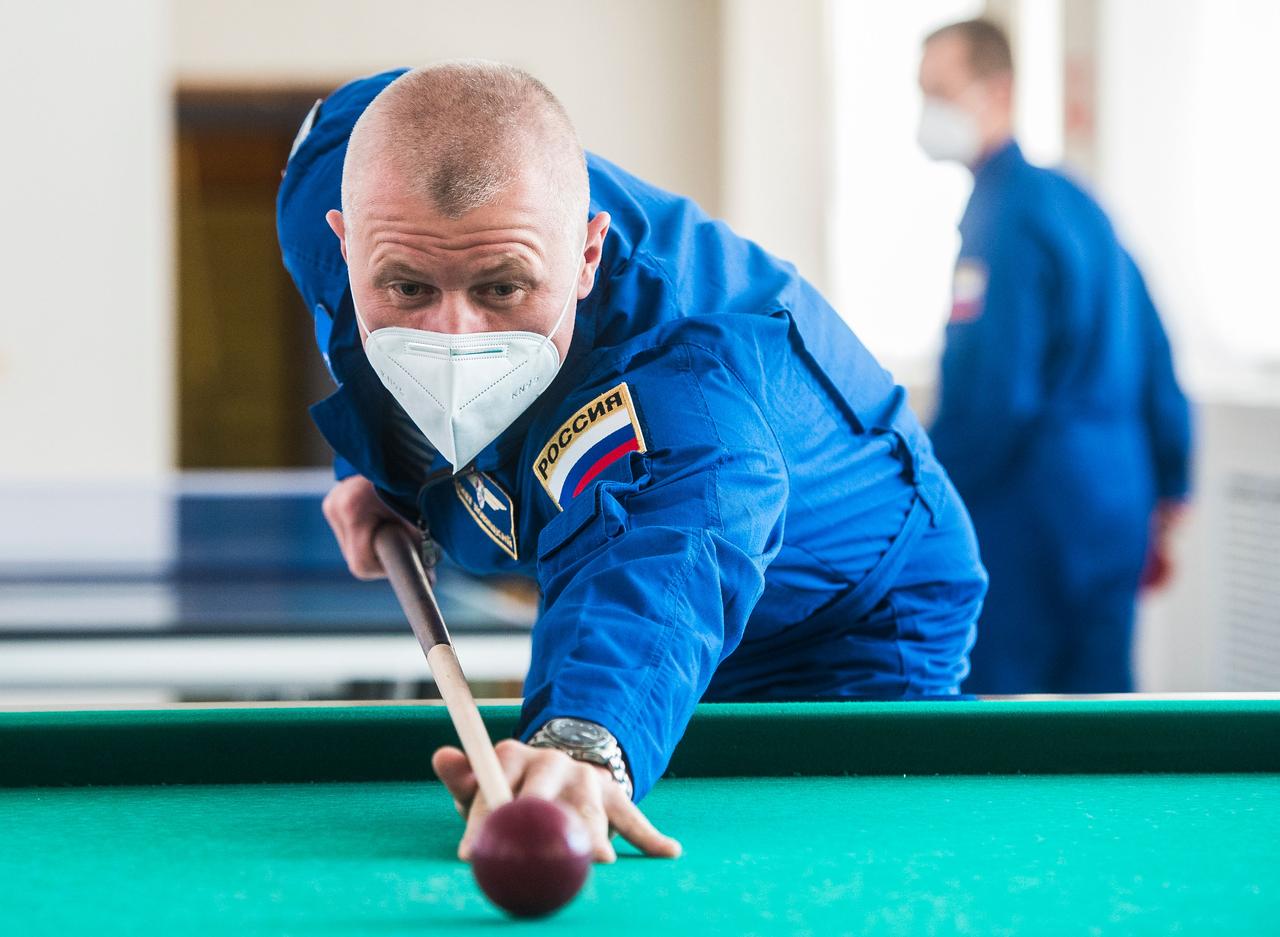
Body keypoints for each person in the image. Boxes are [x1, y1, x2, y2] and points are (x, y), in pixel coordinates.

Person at [277, 63, 986, 863]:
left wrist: (582, 738)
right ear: (344, 240)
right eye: (407, 288)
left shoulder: (685, 387)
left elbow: (675, 538)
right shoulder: (333, 176)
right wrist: (385, 470)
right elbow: (432, 129)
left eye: (502, 288)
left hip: (840, 627)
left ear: (587, 254)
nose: (454, 342)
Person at [916, 20, 1192, 695]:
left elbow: (995, 398)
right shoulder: (1077, 201)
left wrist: (923, 494)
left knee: (1005, 721)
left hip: (1033, 515)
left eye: (941, 92)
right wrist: (1172, 482)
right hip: (1116, 502)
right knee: (1104, 718)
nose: (927, 112)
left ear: (998, 90)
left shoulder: (1002, 218)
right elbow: (1156, 350)